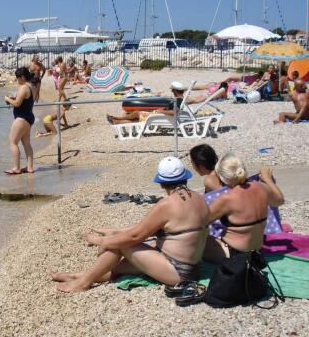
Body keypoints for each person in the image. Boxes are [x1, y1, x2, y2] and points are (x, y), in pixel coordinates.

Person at [51, 157, 209, 292]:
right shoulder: (200, 199)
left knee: (119, 243)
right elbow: (160, 230)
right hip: (193, 267)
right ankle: (79, 276)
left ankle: (83, 283)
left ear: (161, 183)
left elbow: (134, 236)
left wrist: (104, 241)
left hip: (177, 271)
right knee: (118, 268)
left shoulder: (166, 205)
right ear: (186, 178)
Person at [203, 154, 284, 262]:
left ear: (222, 177)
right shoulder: (261, 188)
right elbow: (279, 200)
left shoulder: (227, 199)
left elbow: (201, 222)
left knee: (198, 237)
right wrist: (267, 179)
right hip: (256, 252)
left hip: (233, 254)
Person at [106, 81, 186, 125]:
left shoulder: (179, 100)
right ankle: (116, 121)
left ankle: (117, 118)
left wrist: (161, 111)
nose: (171, 91)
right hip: (161, 114)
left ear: (175, 91)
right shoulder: (178, 99)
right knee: (135, 118)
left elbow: (175, 112)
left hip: (162, 115)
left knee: (137, 113)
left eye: (172, 90)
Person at [4, 67, 35, 175]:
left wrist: (7, 99)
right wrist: (14, 98)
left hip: (22, 118)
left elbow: (17, 104)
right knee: (26, 143)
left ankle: (16, 168)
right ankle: (30, 167)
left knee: (13, 142)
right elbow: (23, 101)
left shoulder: (24, 88)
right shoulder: (31, 86)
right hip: (29, 117)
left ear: (22, 77)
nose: (17, 80)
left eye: (18, 78)